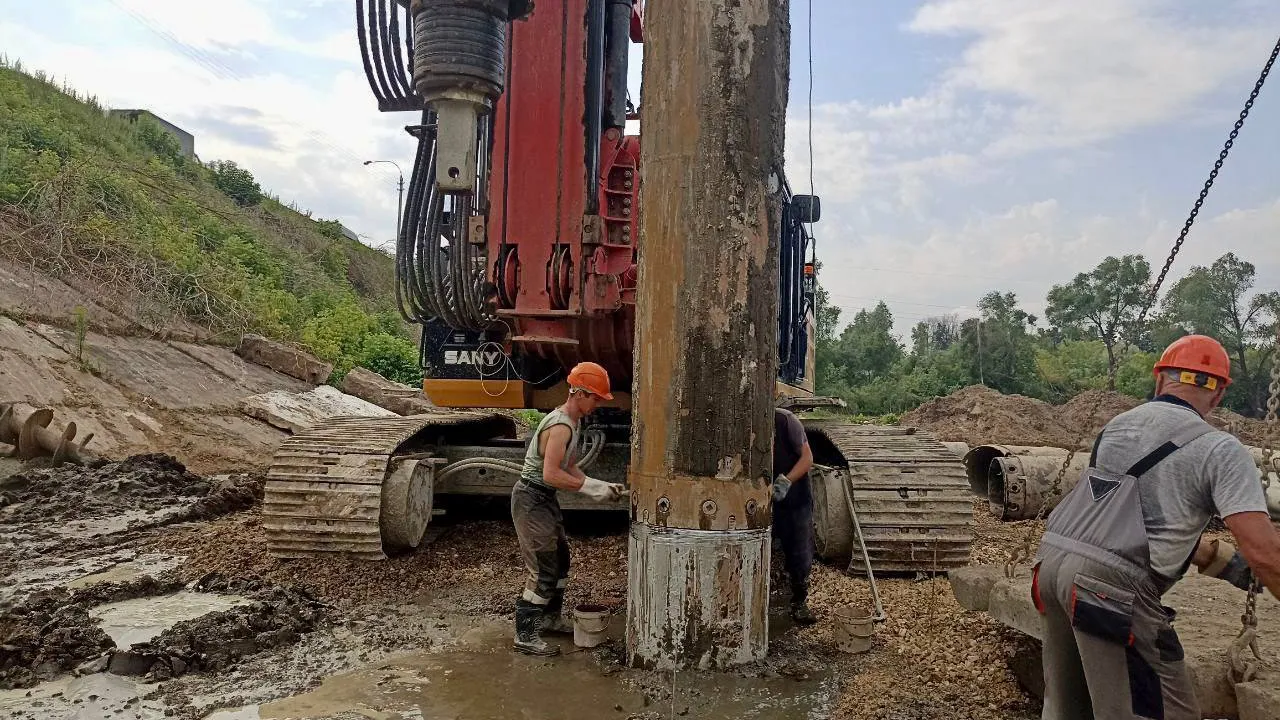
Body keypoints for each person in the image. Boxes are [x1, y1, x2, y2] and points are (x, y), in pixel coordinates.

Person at [1033, 334, 1280, 719]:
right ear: (1217, 397)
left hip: (1051, 570)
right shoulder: (1220, 449)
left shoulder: (1117, 427)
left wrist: (1225, 563)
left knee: (1071, 708)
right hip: (1111, 592)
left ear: (1160, 378)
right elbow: (1266, 553)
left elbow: (1126, 521)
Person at [511, 361, 627, 656]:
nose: (598, 403)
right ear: (579, 393)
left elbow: (570, 467)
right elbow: (551, 473)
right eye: (596, 397)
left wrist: (600, 486)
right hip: (531, 498)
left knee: (561, 560)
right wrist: (591, 489)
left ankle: (549, 618)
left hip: (544, 499)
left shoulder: (574, 423)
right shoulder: (561, 425)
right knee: (544, 568)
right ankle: (525, 635)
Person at [772, 406, 817, 624]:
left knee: (799, 550)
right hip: (766, 499)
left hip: (794, 498)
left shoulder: (785, 420)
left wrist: (785, 481)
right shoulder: (744, 421)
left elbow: (807, 458)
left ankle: (799, 602)